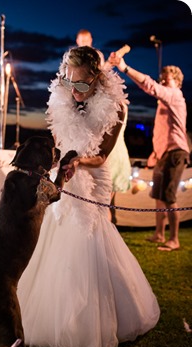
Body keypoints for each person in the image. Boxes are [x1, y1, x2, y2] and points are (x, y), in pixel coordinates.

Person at [17, 46, 160, 347]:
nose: (75, 91)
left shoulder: (116, 106)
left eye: (82, 85)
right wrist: (57, 165)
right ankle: (54, 308)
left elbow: (102, 156)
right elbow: (60, 140)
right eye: (69, 83)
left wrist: (79, 162)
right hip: (66, 172)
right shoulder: (65, 94)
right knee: (56, 228)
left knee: (89, 234)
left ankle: (96, 316)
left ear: (97, 79)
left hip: (93, 173)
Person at [108, 53, 190, 251]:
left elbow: (149, 85)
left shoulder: (175, 96)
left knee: (169, 197)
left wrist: (125, 68)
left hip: (176, 152)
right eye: (162, 76)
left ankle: (174, 239)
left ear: (177, 82)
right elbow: (163, 129)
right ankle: (159, 234)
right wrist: (156, 151)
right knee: (158, 196)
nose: (162, 79)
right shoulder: (165, 102)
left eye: (167, 77)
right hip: (163, 153)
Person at [76, 29, 131, 222]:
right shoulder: (73, 70)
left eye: (86, 41)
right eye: (80, 41)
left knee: (103, 203)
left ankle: (109, 225)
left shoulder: (98, 64)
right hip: (83, 153)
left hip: (101, 154)